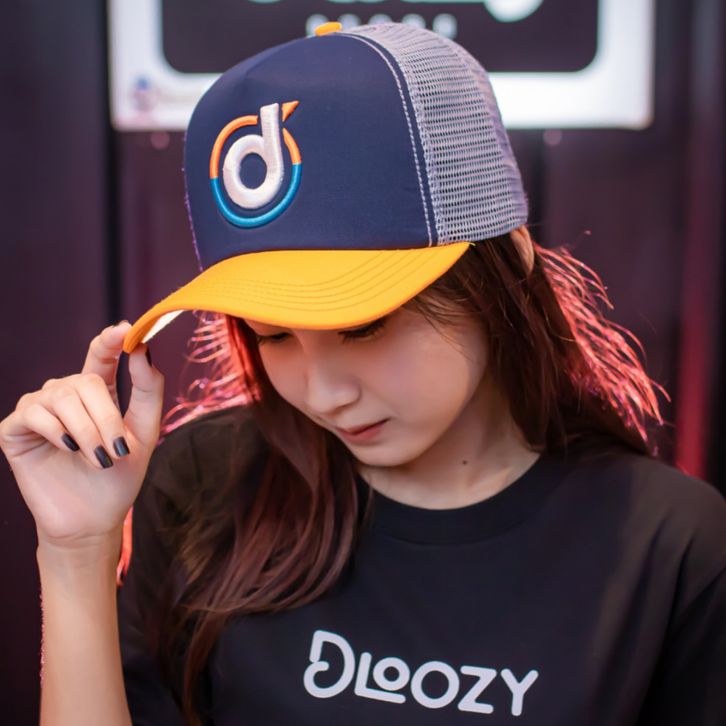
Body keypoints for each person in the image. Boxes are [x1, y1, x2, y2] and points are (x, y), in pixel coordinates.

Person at [2, 20, 725, 726]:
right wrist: (77, 554)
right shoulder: (204, 483)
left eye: (364, 325)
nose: (323, 394)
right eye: (272, 334)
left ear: (505, 259)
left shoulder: (671, 547)